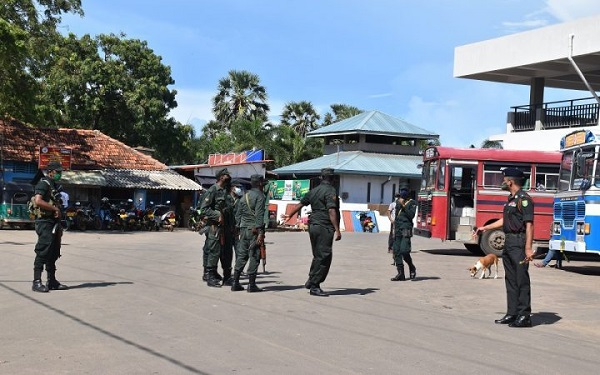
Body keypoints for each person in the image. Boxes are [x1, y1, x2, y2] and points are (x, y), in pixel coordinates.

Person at [476, 168, 534, 328]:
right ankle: (512, 313)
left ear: (510, 181)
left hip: (519, 243)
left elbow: (529, 225)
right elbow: (504, 220)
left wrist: (528, 248)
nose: (503, 181)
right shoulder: (511, 199)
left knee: (521, 279)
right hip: (508, 243)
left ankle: (524, 316)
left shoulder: (525, 199)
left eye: (504, 179)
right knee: (510, 279)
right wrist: (485, 228)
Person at [284, 168, 341, 297]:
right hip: (324, 226)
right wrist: (337, 230)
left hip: (313, 226)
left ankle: (311, 279)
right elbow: (332, 211)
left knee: (317, 254)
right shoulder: (330, 190)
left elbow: (300, 204)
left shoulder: (314, 191)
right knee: (324, 256)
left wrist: (289, 215)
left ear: (321, 178)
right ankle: (315, 286)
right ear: (332, 179)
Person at [31, 161, 69, 292]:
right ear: (51, 171)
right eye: (57, 171)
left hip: (54, 222)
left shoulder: (55, 185)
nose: (59, 174)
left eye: (60, 171)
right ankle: (36, 282)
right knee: (43, 250)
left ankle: (52, 281)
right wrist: (54, 208)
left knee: (53, 251)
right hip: (44, 222)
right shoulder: (43, 183)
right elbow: (38, 200)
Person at [231, 174, 266, 292]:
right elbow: (260, 216)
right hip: (254, 231)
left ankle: (235, 282)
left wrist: (237, 229)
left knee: (242, 256)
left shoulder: (244, 196)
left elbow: (238, 215)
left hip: (243, 230)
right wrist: (261, 233)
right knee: (255, 256)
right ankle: (251, 285)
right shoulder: (260, 196)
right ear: (260, 184)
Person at [200, 168, 232, 287]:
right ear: (221, 177)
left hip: (226, 227)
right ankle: (210, 276)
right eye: (226, 175)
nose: (228, 176)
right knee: (214, 251)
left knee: (227, 252)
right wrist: (217, 215)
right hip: (215, 227)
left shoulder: (226, 190)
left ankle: (227, 277)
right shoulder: (213, 190)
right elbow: (204, 209)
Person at [391, 189, 417, 281]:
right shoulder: (398, 202)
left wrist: (403, 205)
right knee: (396, 250)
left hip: (406, 228)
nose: (400, 197)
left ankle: (411, 266)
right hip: (398, 228)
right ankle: (400, 273)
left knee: (404, 251)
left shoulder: (412, 203)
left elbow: (411, 215)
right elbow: (397, 215)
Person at [220, 179, 243, 286]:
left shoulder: (239, 200)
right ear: (232, 188)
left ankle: (238, 269)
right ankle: (226, 275)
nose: (238, 189)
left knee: (238, 250)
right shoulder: (226, 199)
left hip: (235, 229)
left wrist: (237, 227)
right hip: (227, 230)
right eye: (236, 187)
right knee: (226, 252)